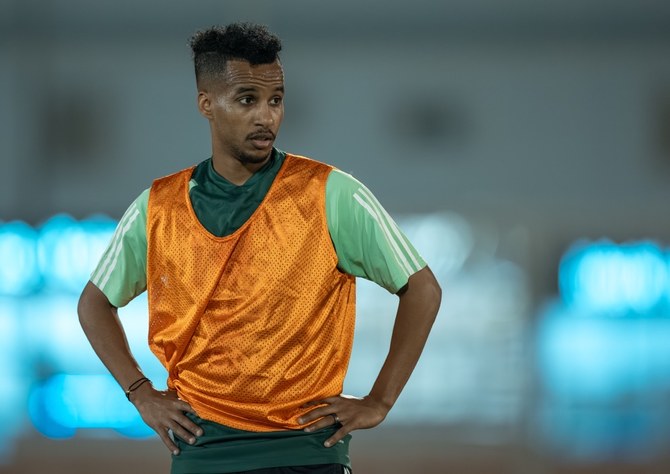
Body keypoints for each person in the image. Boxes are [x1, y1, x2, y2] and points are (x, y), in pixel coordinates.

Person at [78, 22, 441, 474]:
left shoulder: (331, 194)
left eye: (276, 100)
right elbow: (94, 303)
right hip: (202, 451)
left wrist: (380, 400)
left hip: (308, 452)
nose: (266, 116)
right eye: (247, 100)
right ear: (206, 104)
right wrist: (140, 392)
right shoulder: (158, 207)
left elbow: (422, 289)